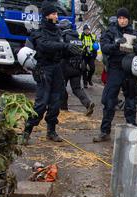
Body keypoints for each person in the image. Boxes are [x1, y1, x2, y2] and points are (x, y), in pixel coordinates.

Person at [22, 2, 82, 144]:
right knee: (41, 103)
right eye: (54, 14)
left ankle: (51, 131)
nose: (56, 16)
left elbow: (61, 48)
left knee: (56, 101)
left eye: (56, 14)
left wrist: (73, 53)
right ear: (47, 15)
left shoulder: (58, 31)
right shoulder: (38, 30)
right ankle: (26, 131)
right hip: (44, 68)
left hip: (56, 69)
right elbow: (45, 45)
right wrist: (64, 45)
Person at [94, 7, 137, 142]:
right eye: (120, 18)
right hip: (115, 69)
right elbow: (104, 47)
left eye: (124, 18)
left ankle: (132, 129)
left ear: (128, 19)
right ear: (117, 19)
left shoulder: (135, 33)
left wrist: (134, 47)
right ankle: (105, 131)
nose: (122, 21)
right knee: (109, 100)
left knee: (131, 100)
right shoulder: (111, 32)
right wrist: (116, 45)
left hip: (129, 70)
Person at [58, 19, 95, 116]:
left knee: (61, 87)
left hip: (65, 66)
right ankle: (88, 103)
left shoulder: (63, 37)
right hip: (77, 67)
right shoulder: (78, 38)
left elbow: (61, 52)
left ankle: (63, 107)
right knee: (77, 88)